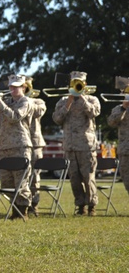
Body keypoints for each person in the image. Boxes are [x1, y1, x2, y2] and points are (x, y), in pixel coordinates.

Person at [52, 71, 101, 216]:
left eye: (79, 82)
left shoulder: (92, 99)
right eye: (74, 82)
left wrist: (82, 98)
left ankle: (92, 206)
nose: (76, 85)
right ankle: (80, 206)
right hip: (70, 146)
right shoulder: (62, 101)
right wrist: (68, 103)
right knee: (74, 178)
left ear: (84, 84)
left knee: (88, 177)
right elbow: (57, 119)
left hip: (86, 145)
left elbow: (94, 113)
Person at [0, 74, 34, 221]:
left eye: (16, 86)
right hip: (4, 145)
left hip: (20, 145)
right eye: (11, 86)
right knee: (6, 182)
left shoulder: (26, 101)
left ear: (24, 87)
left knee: (21, 181)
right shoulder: (7, 102)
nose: (13, 89)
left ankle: (22, 212)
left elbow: (15, 117)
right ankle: (14, 209)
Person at [25, 78, 48, 215]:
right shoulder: (14, 102)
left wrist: (25, 100)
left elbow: (39, 112)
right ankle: (21, 204)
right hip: (18, 143)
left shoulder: (38, 102)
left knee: (34, 176)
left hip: (34, 143)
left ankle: (34, 204)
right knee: (21, 176)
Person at [106, 81, 129, 199]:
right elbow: (111, 122)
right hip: (125, 150)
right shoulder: (118, 108)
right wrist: (123, 107)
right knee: (126, 179)